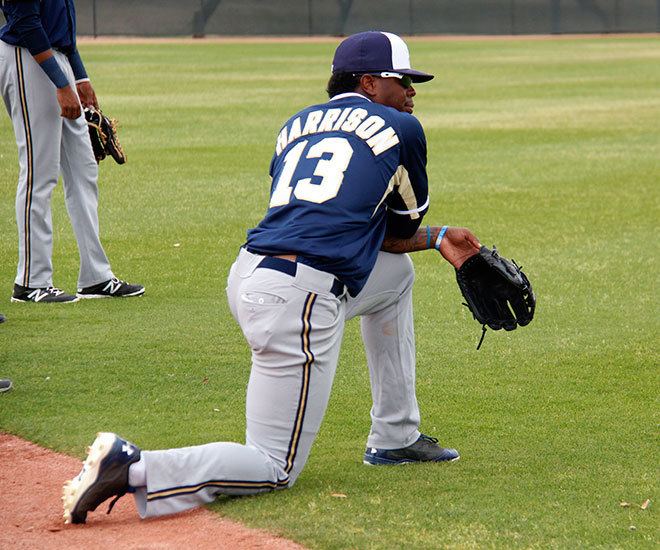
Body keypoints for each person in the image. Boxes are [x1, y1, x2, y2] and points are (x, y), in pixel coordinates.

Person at [62, 31, 482, 524]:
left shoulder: (295, 123)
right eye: (402, 82)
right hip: (297, 298)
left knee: (395, 279)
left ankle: (396, 436)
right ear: (369, 83)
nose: (412, 92)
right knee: (273, 465)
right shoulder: (401, 128)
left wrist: (435, 240)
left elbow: (321, 217)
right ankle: (134, 467)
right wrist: (436, 235)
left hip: (250, 273)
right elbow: (395, 229)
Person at [0, 0, 144, 303]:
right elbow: (25, 21)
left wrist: (80, 78)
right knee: (40, 172)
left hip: (58, 58)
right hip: (28, 58)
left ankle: (95, 277)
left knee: (84, 169)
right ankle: (30, 281)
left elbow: (64, 22)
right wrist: (61, 82)